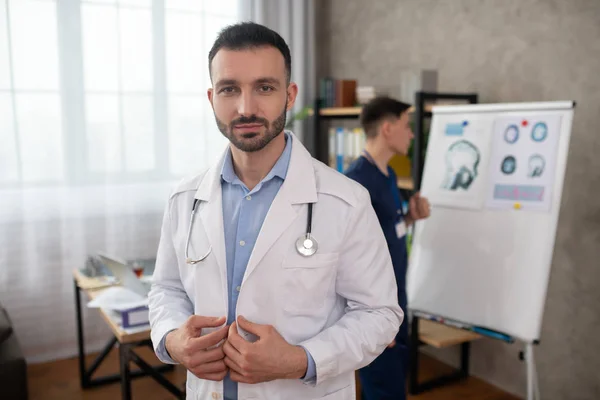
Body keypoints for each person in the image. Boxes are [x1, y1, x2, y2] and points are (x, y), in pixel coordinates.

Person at [148, 22, 403, 400]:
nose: (246, 108)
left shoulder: (345, 200)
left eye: (264, 88)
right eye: (229, 89)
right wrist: (172, 340)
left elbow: (381, 315)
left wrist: (300, 360)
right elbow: (166, 290)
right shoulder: (184, 199)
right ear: (211, 97)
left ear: (289, 95)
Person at [345, 96, 431, 400]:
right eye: (406, 126)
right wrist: (374, 319)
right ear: (386, 128)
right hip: (376, 311)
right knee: (386, 391)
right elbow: (349, 258)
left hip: (396, 301)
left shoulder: (389, 175)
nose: (411, 134)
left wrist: (410, 217)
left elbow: (385, 233)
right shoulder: (355, 183)